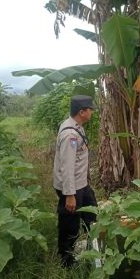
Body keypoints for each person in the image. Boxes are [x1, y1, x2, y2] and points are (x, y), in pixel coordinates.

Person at [53, 95, 98, 267]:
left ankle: (91, 246)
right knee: (69, 224)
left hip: (81, 184)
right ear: (82, 112)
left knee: (92, 213)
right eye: (90, 109)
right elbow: (67, 166)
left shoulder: (75, 126)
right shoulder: (70, 135)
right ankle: (67, 260)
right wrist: (70, 195)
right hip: (71, 187)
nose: (92, 112)